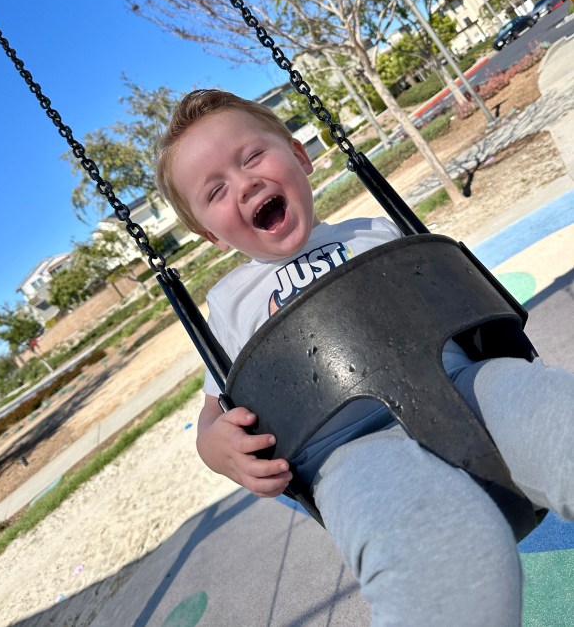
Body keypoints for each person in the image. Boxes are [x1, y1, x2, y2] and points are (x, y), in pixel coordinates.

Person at [155, 89, 574, 626]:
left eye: (253, 156)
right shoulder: (230, 304)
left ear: (300, 156)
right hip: (347, 453)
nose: (245, 184)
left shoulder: (374, 231)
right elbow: (213, 413)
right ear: (211, 235)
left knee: (554, 414)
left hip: (462, 387)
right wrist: (217, 448)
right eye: (215, 190)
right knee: (436, 548)